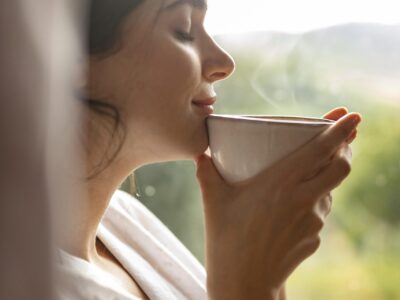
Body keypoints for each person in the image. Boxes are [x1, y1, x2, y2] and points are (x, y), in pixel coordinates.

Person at [55, 0, 361, 299]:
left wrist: (262, 254)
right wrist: (247, 279)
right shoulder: (27, 278)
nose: (225, 64)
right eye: (184, 30)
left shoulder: (128, 223)